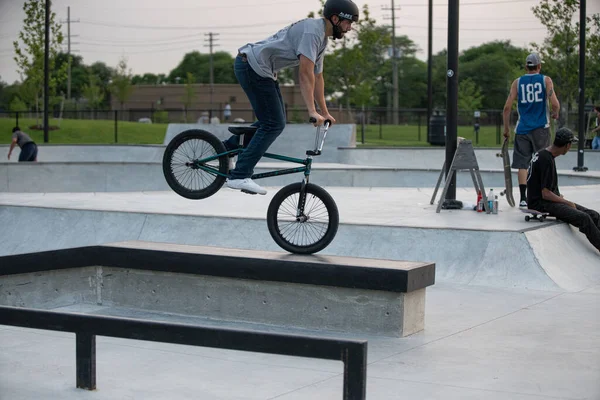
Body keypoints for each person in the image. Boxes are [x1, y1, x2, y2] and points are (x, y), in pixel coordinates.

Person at [221, 0, 359, 195]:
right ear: (335, 19)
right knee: (273, 124)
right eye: (348, 23)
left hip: (260, 69)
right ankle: (239, 175)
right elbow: (305, 73)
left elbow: (318, 77)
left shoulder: (321, 38)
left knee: (273, 122)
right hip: (252, 66)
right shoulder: (313, 33)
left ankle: (225, 150)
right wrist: (311, 110)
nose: (349, 28)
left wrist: (325, 112)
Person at [526, 127, 600, 253]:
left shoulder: (545, 154)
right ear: (567, 145)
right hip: (540, 203)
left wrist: (559, 197)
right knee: (584, 218)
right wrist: (566, 202)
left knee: (594, 214)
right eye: (570, 145)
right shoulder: (546, 159)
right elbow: (545, 193)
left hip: (547, 200)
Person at [503, 52, 560, 208]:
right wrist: (555, 113)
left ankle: (523, 197)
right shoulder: (545, 80)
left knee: (523, 164)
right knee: (544, 161)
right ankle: (547, 193)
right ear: (539, 66)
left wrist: (506, 129)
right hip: (541, 128)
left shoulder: (517, 82)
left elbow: (507, 108)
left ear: (525, 67)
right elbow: (555, 103)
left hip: (522, 129)